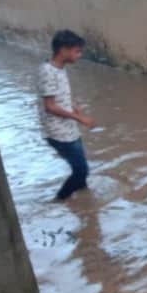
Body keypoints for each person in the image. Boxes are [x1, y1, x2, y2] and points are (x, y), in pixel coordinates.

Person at [38, 30, 95, 201]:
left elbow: (61, 95)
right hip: (58, 133)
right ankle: (60, 200)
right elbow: (49, 106)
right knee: (81, 170)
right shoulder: (47, 71)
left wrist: (74, 105)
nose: (80, 55)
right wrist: (80, 118)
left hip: (68, 129)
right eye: (77, 51)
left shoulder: (59, 69)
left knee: (80, 164)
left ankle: (86, 197)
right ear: (63, 50)